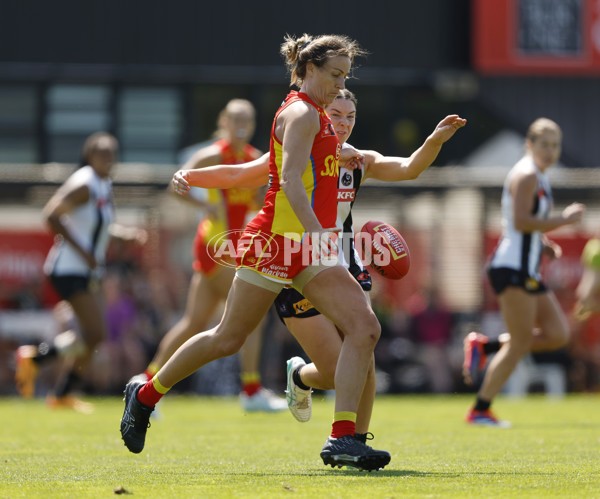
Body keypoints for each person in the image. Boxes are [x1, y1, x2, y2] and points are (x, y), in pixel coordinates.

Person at [120, 33, 397, 471]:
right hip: (276, 243)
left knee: (364, 327)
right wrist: (319, 234)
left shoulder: (315, 114)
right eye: (333, 74)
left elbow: (251, 172)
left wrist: (196, 177)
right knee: (228, 338)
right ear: (308, 70)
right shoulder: (304, 113)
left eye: (345, 76)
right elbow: (285, 181)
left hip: (307, 247)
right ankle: (146, 394)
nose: (338, 83)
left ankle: (343, 438)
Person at [170, 91, 465, 445]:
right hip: (296, 261)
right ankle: (300, 379)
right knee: (329, 367)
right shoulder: (296, 152)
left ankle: (354, 442)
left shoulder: (360, 161)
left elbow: (409, 168)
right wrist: (192, 177)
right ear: (320, 117)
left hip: (341, 262)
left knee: (364, 351)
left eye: (350, 117)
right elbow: (241, 173)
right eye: (336, 115)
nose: (342, 124)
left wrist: (434, 140)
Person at [133, 99, 286, 412]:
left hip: (231, 247)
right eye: (236, 118)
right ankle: (251, 390)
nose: (242, 124)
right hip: (217, 246)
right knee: (252, 316)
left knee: (194, 323)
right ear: (224, 122)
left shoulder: (254, 158)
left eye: (248, 118)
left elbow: (258, 201)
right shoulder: (213, 155)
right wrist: (203, 206)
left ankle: (145, 381)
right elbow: (177, 186)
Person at [463, 118, 585, 427]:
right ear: (529, 144)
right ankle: (480, 409)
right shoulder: (527, 174)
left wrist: (543, 244)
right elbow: (519, 221)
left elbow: (522, 224)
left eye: (555, 145)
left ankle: (485, 345)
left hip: (526, 268)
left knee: (558, 334)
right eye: (544, 143)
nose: (550, 150)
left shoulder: (539, 176)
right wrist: (565, 220)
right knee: (519, 343)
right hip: (512, 267)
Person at [14, 132, 146, 412]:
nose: (108, 160)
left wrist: (124, 236)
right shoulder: (85, 183)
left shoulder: (102, 184)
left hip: (86, 270)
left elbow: (97, 229)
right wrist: (84, 251)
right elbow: (51, 215)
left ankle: (53, 382)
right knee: (95, 332)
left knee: (95, 335)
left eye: (112, 154)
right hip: (68, 269)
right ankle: (39, 366)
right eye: (102, 154)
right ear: (89, 156)